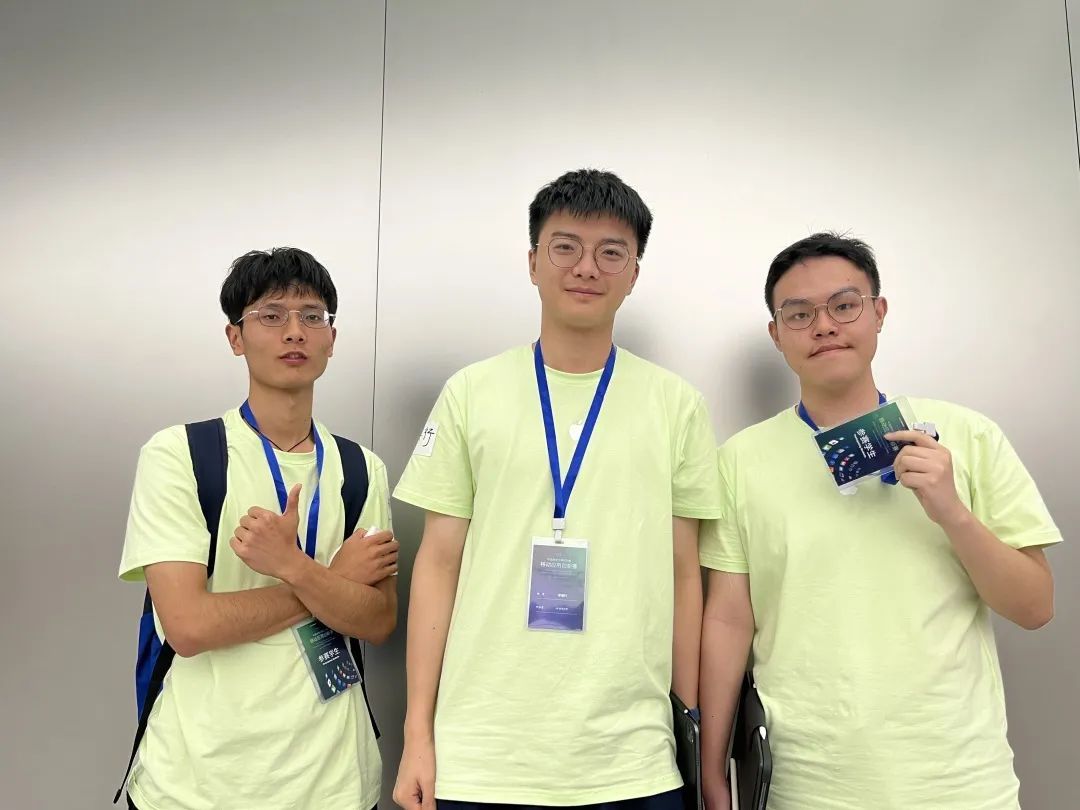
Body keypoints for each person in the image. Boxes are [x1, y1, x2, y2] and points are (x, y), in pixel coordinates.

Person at [392, 169, 723, 809]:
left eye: (611, 252)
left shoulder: (676, 404)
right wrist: (418, 736)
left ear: (634, 273)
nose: (586, 268)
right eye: (565, 247)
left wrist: (685, 728)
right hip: (481, 756)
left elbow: (686, 574)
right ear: (533, 262)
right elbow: (437, 564)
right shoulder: (471, 392)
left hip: (632, 760)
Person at [699, 232, 1062, 810]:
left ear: (879, 312)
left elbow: (1035, 607)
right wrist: (712, 768)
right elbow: (727, 619)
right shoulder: (738, 461)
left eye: (844, 305)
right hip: (807, 785)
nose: (824, 326)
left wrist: (951, 511)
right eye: (800, 314)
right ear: (776, 333)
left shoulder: (969, 435)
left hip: (959, 782)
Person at [118, 247, 398, 810]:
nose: (294, 331)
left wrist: (291, 565)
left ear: (331, 339)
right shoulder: (180, 455)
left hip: (336, 782)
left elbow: (378, 620)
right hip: (198, 784)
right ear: (235, 337)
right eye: (271, 315)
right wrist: (328, 581)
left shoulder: (360, 468)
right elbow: (188, 626)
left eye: (311, 316)